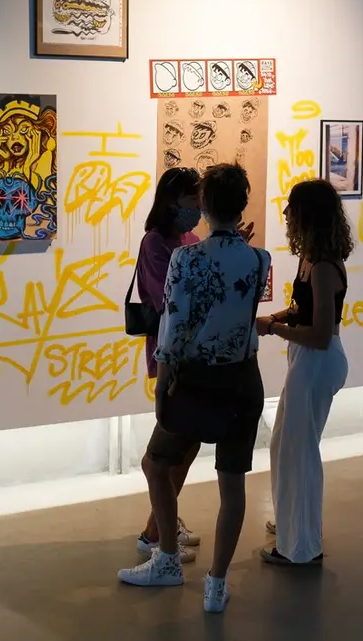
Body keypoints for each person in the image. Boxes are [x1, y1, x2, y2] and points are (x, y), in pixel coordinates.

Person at [118, 163, 271, 615]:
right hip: (244, 380)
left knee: (157, 463)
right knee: (232, 484)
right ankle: (216, 584)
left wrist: (164, 384)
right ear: (242, 204)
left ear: (204, 205)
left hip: (196, 380)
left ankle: (166, 558)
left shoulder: (186, 259)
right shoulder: (260, 259)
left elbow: (173, 328)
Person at [256, 179, 352, 566]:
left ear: (307, 215)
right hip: (305, 360)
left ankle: (301, 547)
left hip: (317, 362)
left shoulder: (325, 268)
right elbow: (301, 310)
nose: (285, 214)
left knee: (300, 453)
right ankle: (292, 523)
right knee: (285, 444)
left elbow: (320, 335)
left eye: (291, 208)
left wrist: (273, 328)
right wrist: (274, 319)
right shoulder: (310, 259)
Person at [134, 167, 204, 563]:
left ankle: (160, 524)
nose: (197, 207)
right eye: (192, 199)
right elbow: (168, 300)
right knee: (166, 450)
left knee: (185, 445)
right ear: (172, 201)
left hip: (195, 354)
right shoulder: (155, 242)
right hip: (172, 353)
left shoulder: (191, 240)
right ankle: (154, 533)